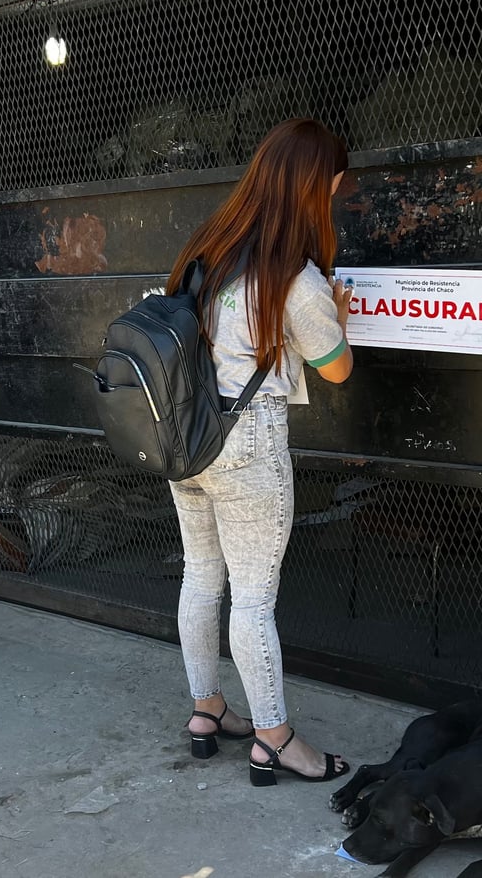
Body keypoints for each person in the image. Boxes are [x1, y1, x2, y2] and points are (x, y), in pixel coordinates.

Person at [165, 119, 354, 785]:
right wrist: (338, 317)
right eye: (334, 186)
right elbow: (336, 369)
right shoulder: (294, 277)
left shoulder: (207, 249)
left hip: (186, 436)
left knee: (200, 578)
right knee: (253, 599)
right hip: (247, 442)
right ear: (315, 188)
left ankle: (207, 710)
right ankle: (274, 738)